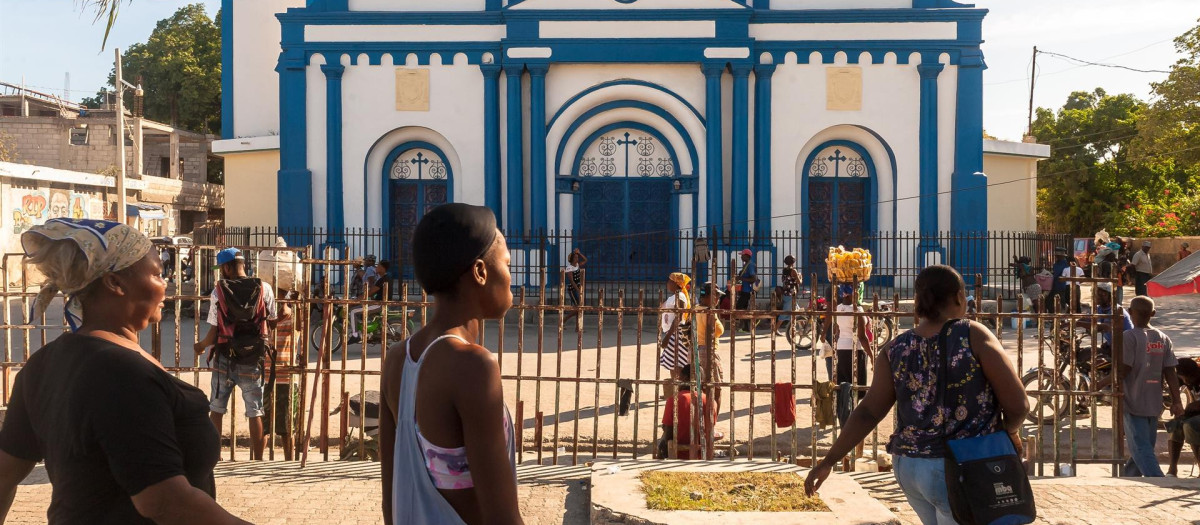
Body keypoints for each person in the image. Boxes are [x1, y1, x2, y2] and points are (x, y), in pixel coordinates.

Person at [0, 218, 247, 524]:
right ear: (115, 283)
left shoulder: (43, 363)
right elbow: (164, 501)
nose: (165, 284)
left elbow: (4, 474)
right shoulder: (122, 373)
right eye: (157, 274)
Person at [805, 265, 1028, 525]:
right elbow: (1019, 405)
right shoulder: (973, 335)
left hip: (910, 467)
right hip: (961, 465)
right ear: (958, 297)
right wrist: (1010, 431)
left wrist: (828, 461)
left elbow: (868, 411)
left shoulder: (895, 348)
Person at [379, 203, 522, 525]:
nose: (511, 277)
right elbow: (501, 516)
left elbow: (393, 496)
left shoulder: (398, 358)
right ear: (480, 272)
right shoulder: (473, 366)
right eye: (507, 264)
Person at [195, 248, 282, 461]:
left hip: (225, 357)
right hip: (253, 358)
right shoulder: (265, 288)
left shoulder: (218, 291)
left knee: (217, 408)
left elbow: (214, 330)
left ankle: (215, 456)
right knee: (255, 410)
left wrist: (202, 345)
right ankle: (257, 459)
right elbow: (271, 320)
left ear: (226, 267)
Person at [1118, 296, 1184, 477]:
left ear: (1130, 313)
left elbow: (1123, 370)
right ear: (1153, 314)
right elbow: (1171, 372)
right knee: (1142, 447)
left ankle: (1159, 481)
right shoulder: (1163, 338)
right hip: (1154, 404)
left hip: (1133, 402)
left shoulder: (1128, 337)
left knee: (1141, 448)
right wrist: (1177, 401)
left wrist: (1102, 383)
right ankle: (1129, 478)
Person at [656, 365, 716, 460]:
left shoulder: (674, 400)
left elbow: (668, 430)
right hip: (702, 452)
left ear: (685, 378)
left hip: (678, 452)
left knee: (662, 440)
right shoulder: (710, 401)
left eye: (680, 377)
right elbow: (710, 427)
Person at [265, 288, 298, 460]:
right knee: (263, 425)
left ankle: (289, 462)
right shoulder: (265, 319)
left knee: (287, 427)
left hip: (286, 377)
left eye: (279, 297)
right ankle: (257, 461)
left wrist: (297, 304)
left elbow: (301, 324)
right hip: (264, 377)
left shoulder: (294, 319)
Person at [833, 284, 872, 428]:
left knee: (844, 385)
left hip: (842, 350)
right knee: (857, 386)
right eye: (855, 292)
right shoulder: (858, 311)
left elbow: (838, 331)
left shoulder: (838, 308)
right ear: (849, 294)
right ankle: (853, 417)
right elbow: (862, 337)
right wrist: (873, 356)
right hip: (856, 350)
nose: (857, 294)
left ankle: (844, 416)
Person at [695, 282, 726, 440]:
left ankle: (702, 426)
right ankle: (710, 428)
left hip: (697, 350)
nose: (718, 299)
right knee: (716, 390)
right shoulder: (709, 313)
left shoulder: (695, 309)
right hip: (709, 351)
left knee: (703, 390)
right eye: (715, 295)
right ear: (706, 296)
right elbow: (719, 331)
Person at [659, 273, 693, 399]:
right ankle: (675, 390)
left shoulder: (680, 296)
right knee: (673, 363)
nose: (667, 283)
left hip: (676, 333)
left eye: (669, 281)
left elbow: (678, 316)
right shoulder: (674, 297)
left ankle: (679, 391)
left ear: (675, 283)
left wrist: (668, 337)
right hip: (672, 332)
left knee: (677, 364)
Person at [1166, 358, 1200, 477]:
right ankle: (1172, 468)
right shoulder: (1185, 379)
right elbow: (1173, 386)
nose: (1186, 382)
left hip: (1196, 414)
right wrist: (1176, 403)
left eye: (1186, 378)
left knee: (1191, 426)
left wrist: (1193, 406)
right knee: (1175, 425)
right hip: (1194, 413)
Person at [348, 260, 391, 345]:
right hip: (379, 302)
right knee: (360, 308)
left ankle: (355, 335)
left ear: (383, 268)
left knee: (353, 311)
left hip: (379, 305)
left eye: (378, 266)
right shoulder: (386, 278)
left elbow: (369, 293)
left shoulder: (382, 280)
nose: (376, 268)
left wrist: (356, 300)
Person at [776, 255, 801, 335]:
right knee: (785, 313)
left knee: (797, 311)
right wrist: (800, 276)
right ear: (793, 262)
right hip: (791, 294)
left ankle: (803, 327)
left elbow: (784, 280)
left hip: (786, 293)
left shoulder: (784, 270)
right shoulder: (793, 271)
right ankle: (775, 329)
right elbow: (799, 282)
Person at [733, 249, 757, 331]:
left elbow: (753, 278)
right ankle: (745, 327)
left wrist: (741, 278)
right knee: (743, 308)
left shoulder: (750, 265)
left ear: (747, 256)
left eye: (742, 255)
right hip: (744, 290)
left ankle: (743, 326)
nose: (741, 257)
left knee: (739, 307)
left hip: (747, 291)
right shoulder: (746, 265)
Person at [562, 248, 587, 325]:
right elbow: (571, 281)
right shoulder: (569, 268)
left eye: (577, 257)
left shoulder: (577, 265)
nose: (577, 258)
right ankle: (563, 320)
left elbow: (585, 260)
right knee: (577, 307)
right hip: (572, 290)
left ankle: (577, 327)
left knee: (579, 308)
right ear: (572, 259)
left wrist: (579, 253)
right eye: (576, 257)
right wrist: (578, 290)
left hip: (578, 288)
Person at [1050, 248, 1071, 312]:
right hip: (1057, 284)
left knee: (1062, 300)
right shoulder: (1057, 264)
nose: (1057, 257)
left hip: (1061, 284)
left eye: (1058, 256)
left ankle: (1063, 311)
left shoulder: (1064, 264)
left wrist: (1052, 275)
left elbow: (1057, 273)